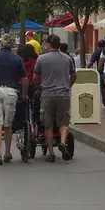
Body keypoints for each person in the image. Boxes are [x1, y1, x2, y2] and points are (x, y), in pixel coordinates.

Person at [0, 35, 28, 165]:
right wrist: (24, 95)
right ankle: (8, 152)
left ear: (1, 44)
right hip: (10, 91)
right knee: (8, 124)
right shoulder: (17, 59)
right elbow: (24, 80)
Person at [34, 34, 76, 162]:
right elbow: (73, 75)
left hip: (47, 94)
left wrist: (39, 87)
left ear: (48, 44)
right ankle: (62, 141)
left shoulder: (41, 59)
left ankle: (51, 153)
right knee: (63, 121)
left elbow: (35, 77)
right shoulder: (67, 58)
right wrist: (67, 86)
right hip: (63, 94)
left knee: (48, 124)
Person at [87, 39, 105, 110]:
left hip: (102, 72)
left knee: (103, 88)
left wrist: (87, 68)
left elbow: (91, 62)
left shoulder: (97, 52)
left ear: (98, 45)